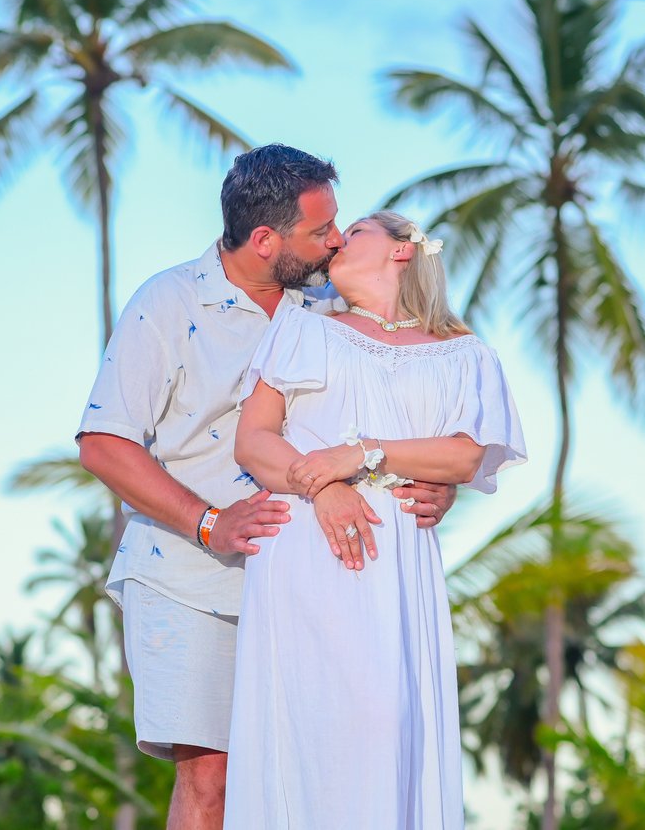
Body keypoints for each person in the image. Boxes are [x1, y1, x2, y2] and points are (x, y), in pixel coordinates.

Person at [76, 147, 460, 830]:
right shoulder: (166, 303)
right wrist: (208, 521)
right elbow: (104, 441)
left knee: (319, 777)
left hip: (308, 581)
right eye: (320, 231)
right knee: (213, 782)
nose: (337, 239)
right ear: (263, 240)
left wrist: (436, 486)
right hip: (187, 579)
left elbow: (400, 400)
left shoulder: (327, 308)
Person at [227, 211, 527, 828]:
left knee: (388, 723)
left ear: (401, 252)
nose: (336, 240)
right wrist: (328, 484)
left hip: (400, 563)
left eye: (355, 230)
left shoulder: (465, 353)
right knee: (308, 728)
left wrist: (363, 454)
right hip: (305, 551)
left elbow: (467, 453)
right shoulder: (303, 327)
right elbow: (254, 441)